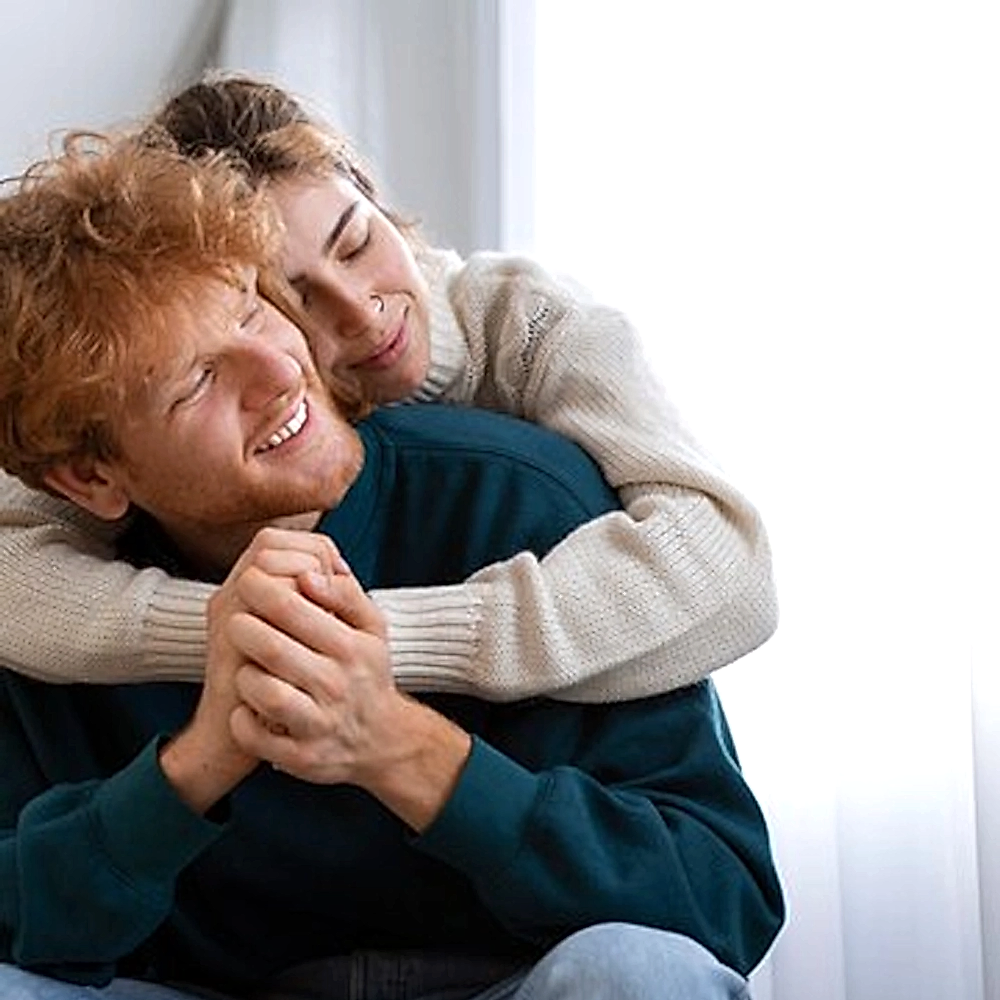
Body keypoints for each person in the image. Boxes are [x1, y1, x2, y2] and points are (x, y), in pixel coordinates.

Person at [0, 135, 783, 999]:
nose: (280, 370)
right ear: (90, 479)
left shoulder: (522, 498)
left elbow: (723, 895)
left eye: (252, 312)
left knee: (640, 974)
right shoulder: (51, 609)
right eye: (195, 382)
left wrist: (397, 745)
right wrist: (197, 765)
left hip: (516, 986)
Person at [0, 74, 777, 702]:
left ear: (374, 197)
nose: (361, 312)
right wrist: (239, 629)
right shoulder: (188, 399)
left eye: (356, 242)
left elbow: (733, 577)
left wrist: (371, 637)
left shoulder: (533, 327)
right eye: (292, 298)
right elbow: (15, 578)